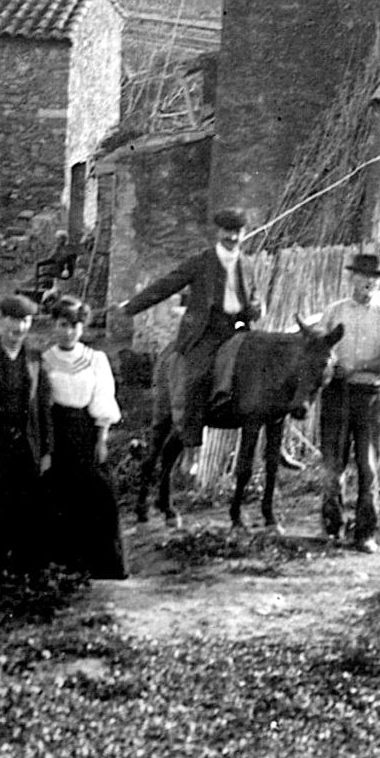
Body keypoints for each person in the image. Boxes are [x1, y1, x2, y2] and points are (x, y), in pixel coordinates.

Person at [117, 207, 267, 525]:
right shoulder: (202, 262)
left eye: (238, 232)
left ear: (243, 234)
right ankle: (191, 444)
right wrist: (132, 306)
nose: (232, 237)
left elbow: (254, 298)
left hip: (237, 331)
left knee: (262, 376)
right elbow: (167, 284)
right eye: (227, 231)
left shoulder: (248, 264)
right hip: (204, 333)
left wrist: (256, 307)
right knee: (196, 376)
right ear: (218, 232)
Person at [0, 293, 55, 586]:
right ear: (2, 321)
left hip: (24, 448)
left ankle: (3, 568)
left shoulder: (34, 357)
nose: (19, 327)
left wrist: (46, 450)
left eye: (25, 321)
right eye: (13, 320)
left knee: (15, 509)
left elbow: (42, 406)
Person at [318, 253, 380, 552]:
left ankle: (366, 531)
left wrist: (358, 367)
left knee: (367, 464)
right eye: (362, 276)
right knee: (333, 462)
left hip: (370, 397)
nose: (368, 282)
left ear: (379, 282)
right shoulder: (334, 312)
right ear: (351, 278)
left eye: (373, 278)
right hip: (336, 395)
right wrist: (333, 368)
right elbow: (318, 351)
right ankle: (333, 528)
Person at [40, 297, 127, 579]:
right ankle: (63, 564)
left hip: (85, 432)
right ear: (54, 325)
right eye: (63, 325)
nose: (68, 332)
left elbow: (103, 400)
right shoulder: (44, 360)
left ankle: (100, 566)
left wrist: (102, 439)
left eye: (74, 325)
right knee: (57, 494)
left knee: (97, 493)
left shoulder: (95, 359)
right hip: (55, 432)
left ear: (83, 327)